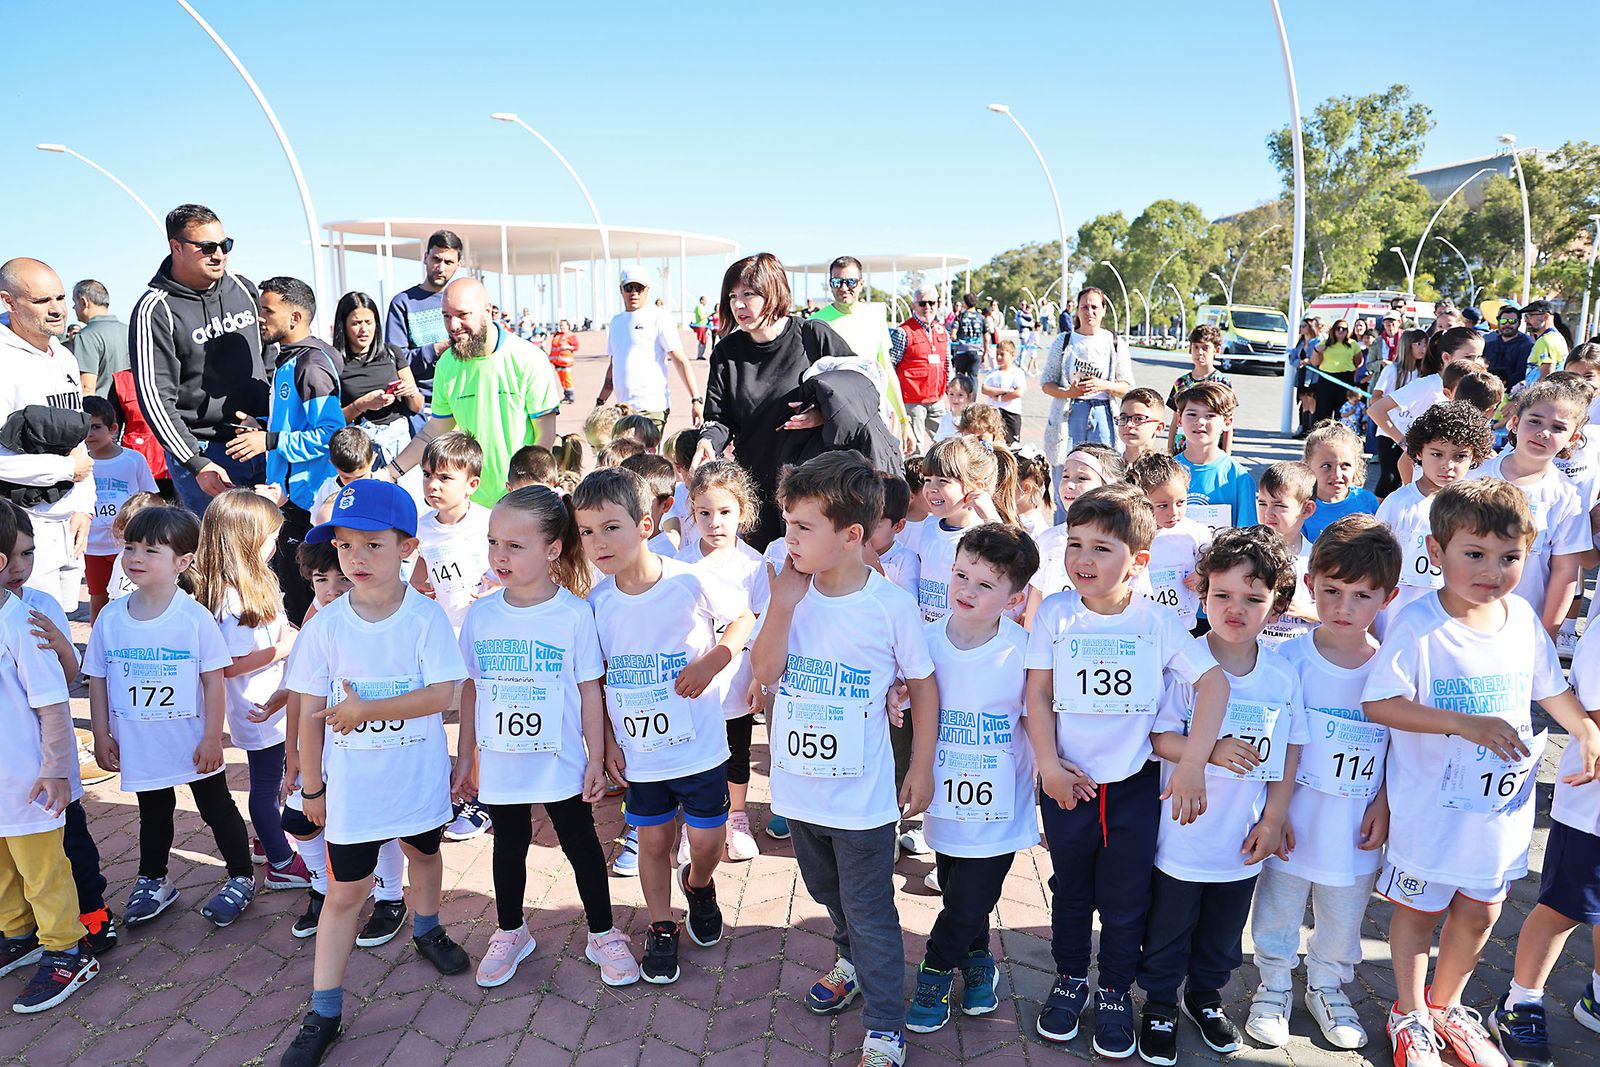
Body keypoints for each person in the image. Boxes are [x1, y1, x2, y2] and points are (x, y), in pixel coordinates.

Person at [1363, 479, 1600, 1067]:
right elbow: (1381, 703)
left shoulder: (1521, 619)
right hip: (1429, 813)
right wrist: (1461, 724)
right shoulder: (1418, 623)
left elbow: (1551, 688)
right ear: (1438, 552)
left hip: (1500, 812)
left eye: (1510, 557)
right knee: (1420, 912)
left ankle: (1447, 1006)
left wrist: (1586, 729)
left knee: (1483, 910)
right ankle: (1409, 1012)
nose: (1492, 570)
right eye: (1475, 554)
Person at [750, 451, 937, 1067]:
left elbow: (924, 683)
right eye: (787, 523)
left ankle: (885, 1026)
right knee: (827, 892)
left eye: (803, 527)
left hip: (863, 799)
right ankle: (849, 958)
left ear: (851, 535)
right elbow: (765, 673)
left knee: (871, 907)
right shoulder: (788, 591)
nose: (789, 538)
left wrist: (921, 765)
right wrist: (781, 605)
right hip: (801, 793)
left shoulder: (890, 607)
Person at [1025, 485, 1227, 1055]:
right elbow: (1036, 695)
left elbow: (1212, 684)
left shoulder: (1158, 622)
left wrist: (1192, 763)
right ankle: (1070, 981)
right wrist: (1048, 766)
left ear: (1138, 562)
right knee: (1069, 890)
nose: (1083, 560)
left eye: (1102, 548)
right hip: (1068, 783)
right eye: (1075, 544)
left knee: (1125, 898)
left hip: (1133, 786)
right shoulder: (1057, 615)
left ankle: (1114, 991)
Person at [279, 480, 472, 1067]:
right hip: (353, 791)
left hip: (414, 780)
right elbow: (310, 709)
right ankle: (325, 1008)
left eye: (372, 545)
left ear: (407, 546)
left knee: (425, 856)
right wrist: (312, 785)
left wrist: (369, 710)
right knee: (343, 894)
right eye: (343, 547)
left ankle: (429, 928)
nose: (356, 559)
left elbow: (445, 692)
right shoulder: (326, 625)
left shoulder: (425, 619)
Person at [451, 486, 640, 988]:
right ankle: (511, 930)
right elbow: (472, 688)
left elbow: (589, 692)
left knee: (580, 843)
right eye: (494, 543)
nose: (500, 555)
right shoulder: (482, 614)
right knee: (507, 845)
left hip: (560, 761)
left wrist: (596, 758)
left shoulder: (574, 614)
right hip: (502, 761)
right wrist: (464, 756)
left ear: (552, 548)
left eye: (515, 545)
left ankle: (602, 932)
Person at [1138, 526, 1306, 1065]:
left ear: (1277, 605)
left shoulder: (1280, 677)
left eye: (1253, 598)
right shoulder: (1182, 663)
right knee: (1168, 929)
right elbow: (1157, 737)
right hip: (1181, 835)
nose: (1236, 609)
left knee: (1221, 937)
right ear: (1201, 592)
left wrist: (1275, 816)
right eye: (1222, 595)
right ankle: (1159, 1002)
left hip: (1240, 839)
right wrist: (1206, 751)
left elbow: (1290, 749)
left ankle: (1204, 996)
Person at [578, 467, 749, 983]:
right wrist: (606, 741)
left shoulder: (689, 581)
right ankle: (659, 925)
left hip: (699, 749)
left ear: (646, 525)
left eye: (611, 527)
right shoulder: (597, 605)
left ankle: (698, 885)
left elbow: (742, 619)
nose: (598, 542)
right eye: (586, 531)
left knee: (706, 841)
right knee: (651, 842)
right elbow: (598, 677)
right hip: (641, 753)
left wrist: (712, 662)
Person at [1246, 516, 1400, 1051]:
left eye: (1362, 596)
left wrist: (1383, 800)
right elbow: (1272, 737)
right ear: (1309, 584)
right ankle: (1271, 986)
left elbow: (1401, 744)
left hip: (1354, 821)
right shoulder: (1287, 658)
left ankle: (1328, 985)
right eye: (1331, 591)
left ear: (1388, 597)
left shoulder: (1391, 669)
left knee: (1343, 913)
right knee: (1278, 907)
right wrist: (1271, 811)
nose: (1343, 607)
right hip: (1293, 816)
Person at [84, 507, 255, 929]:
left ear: (183, 562)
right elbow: (99, 680)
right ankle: (154, 880)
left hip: (191, 738)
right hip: (140, 741)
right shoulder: (111, 616)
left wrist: (213, 738)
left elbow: (214, 682)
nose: (135, 557)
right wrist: (102, 734)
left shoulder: (193, 617)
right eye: (130, 547)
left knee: (216, 806)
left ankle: (241, 875)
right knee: (153, 811)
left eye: (150, 550)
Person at [906, 525, 1040, 1034]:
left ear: (1015, 598)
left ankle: (935, 969)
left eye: (985, 585)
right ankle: (979, 957)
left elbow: (1037, 719)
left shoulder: (1023, 649)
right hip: (944, 795)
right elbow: (911, 696)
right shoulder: (925, 638)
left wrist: (1051, 768)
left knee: (973, 895)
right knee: (958, 887)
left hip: (1001, 801)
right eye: (961, 574)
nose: (966, 589)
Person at [0, 500, 95, 1014]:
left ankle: (67, 949)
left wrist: (57, 769)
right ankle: (18, 935)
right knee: (5, 873)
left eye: (27, 553)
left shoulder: (24, 622)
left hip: (29, 781)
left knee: (45, 871)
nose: (22, 564)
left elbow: (55, 703)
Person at [1495, 611, 1600, 1064]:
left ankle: (1597, 997)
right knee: (1563, 908)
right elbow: (1590, 708)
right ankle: (1521, 1003)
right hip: (1591, 805)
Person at [193, 491, 310, 893]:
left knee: (272, 779)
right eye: (270, 537)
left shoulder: (251, 582)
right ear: (246, 539)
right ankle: (280, 861)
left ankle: (266, 839)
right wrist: (284, 648)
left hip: (266, 701)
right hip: (258, 707)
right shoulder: (230, 598)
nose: (275, 544)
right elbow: (227, 665)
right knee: (265, 785)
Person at [694, 253, 852, 550]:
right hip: (756, 489)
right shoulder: (727, 352)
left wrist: (822, 413)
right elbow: (718, 417)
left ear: (774, 291)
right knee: (765, 579)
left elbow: (860, 388)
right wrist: (707, 442)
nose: (738, 304)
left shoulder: (812, 337)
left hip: (813, 489)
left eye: (748, 294)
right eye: (732, 296)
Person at [130, 204, 268, 515]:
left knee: (273, 550)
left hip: (261, 441)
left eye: (225, 245)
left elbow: (266, 355)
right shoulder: (155, 310)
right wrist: (195, 461)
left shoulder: (244, 288)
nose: (218, 254)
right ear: (176, 247)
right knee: (219, 556)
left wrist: (269, 425)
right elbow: (155, 399)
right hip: (206, 454)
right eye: (206, 247)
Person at [377, 278, 561, 508]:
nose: (453, 325)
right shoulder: (447, 364)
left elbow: (545, 434)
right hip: (470, 505)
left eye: (463, 315)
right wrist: (390, 472)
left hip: (521, 501)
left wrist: (529, 491)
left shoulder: (528, 358)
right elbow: (435, 429)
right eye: (446, 316)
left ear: (488, 311)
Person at [225, 277, 343, 625]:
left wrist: (269, 441)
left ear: (294, 317)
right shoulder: (289, 361)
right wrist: (261, 424)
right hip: (288, 499)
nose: (259, 318)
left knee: (307, 603)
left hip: (307, 505)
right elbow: (296, 423)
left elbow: (330, 434)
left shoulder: (311, 364)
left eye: (267, 310)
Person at [676, 461, 770, 863]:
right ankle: (694, 823)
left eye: (725, 512)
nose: (715, 522)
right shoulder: (679, 561)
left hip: (736, 679)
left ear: (743, 512)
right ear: (692, 512)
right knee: (693, 753)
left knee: (736, 751)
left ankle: (735, 817)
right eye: (705, 513)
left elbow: (763, 623)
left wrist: (760, 680)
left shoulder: (754, 565)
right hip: (691, 684)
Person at [0, 258, 96, 614]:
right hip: (20, 525)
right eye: (42, 301)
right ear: (8, 302)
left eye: (59, 298)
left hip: (67, 522)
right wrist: (65, 470)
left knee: (62, 627)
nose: (57, 309)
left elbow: (78, 442)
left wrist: (84, 505)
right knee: (31, 635)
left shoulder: (65, 358)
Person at [1463, 379, 1590, 638]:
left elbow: (1565, 572)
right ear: (1515, 421)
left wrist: (1547, 635)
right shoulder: (1472, 477)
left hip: (1520, 629)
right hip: (1460, 619)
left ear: (1572, 438)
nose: (1543, 432)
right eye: (1535, 420)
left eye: (1558, 427)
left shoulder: (1568, 497)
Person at [1040, 288, 1135, 503]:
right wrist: (1068, 392)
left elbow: (1127, 386)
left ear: (1103, 311)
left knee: (1104, 474)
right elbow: (1046, 383)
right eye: (1084, 306)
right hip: (1070, 415)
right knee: (1067, 472)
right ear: (1077, 311)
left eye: (1094, 307)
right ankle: (1065, 527)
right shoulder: (1064, 342)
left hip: (1103, 415)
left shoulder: (1115, 343)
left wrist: (1104, 384)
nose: (1089, 311)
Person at [808, 256, 911, 448]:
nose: (844, 287)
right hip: (833, 418)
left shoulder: (875, 317)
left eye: (850, 282)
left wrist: (904, 420)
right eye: (837, 282)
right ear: (830, 284)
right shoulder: (815, 323)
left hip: (872, 413)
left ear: (861, 283)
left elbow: (886, 371)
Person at [597, 267, 700, 435]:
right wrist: (600, 401)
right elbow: (613, 366)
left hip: (652, 407)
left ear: (647, 290)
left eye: (639, 288)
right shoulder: (616, 322)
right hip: (623, 409)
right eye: (629, 288)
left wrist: (696, 399)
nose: (634, 293)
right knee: (626, 459)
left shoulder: (659, 317)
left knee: (647, 460)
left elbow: (680, 360)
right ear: (621, 290)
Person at [81, 396, 156, 622]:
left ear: (113, 428)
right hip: (92, 546)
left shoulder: (133, 460)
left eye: (96, 427)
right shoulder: (77, 463)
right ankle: (98, 645)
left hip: (127, 545)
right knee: (98, 597)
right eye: (84, 427)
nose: (89, 434)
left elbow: (150, 497)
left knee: (133, 596)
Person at [410, 432, 491, 634]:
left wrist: (502, 589)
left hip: (486, 628)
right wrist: (417, 586)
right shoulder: (421, 527)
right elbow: (421, 566)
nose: (432, 485)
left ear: (472, 485)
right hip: (446, 631)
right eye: (427, 474)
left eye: (444, 477)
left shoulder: (490, 522)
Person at [331, 292, 422, 466]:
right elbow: (332, 419)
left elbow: (417, 406)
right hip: (360, 449)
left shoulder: (392, 353)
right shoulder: (334, 362)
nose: (364, 329)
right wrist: (361, 405)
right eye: (356, 323)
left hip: (399, 444)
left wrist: (410, 392)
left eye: (369, 322)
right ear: (343, 326)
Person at [1126, 452, 1213, 633]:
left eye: (1180, 502)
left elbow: (1215, 565)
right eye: (1163, 505)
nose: (1173, 513)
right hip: (1140, 627)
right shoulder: (1129, 534)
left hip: (1183, 628)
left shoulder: (1196, 533)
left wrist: (1203, 574)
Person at [384, 229, 463, 404]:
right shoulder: (403, 303)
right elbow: (395, 360)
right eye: (436, 259)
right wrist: (437, 348)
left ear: (459, 264)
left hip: (464, 400)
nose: (441, 267)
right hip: (422, 406)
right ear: (425, 257)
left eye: (448, 262)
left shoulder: (465, 301)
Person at [1174, 381, 1256, 534]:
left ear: (1227, 422)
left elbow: (1247, 536)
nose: (1200, 422)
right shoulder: (1165, 472)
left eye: (1210, 415)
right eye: (1192, 414)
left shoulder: (1239, 477)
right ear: (1179, 419)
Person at [1254, 462, 1320, 646]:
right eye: (1262, 503)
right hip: (1256, 653)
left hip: (1300, 654)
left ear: (1306, 509)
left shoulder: (1317, 559)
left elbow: (1336, 608)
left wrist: (1306, 611)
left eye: (1279, 505)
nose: (1268, 512)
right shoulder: (1247, 555)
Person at [891, 284, 953, 451]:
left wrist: (950, 390)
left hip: (937, 399)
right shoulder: (903, 332)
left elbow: (947, 363)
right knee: (915, 448)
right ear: (914, 305)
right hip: (913, 401)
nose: (928, 307)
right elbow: (890, 366)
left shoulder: (942, 331)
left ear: (938, 304)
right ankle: (914, 477)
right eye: (922, 303)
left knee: (947, 442)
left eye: (932, 303)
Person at [1301, 421, 1379, 541]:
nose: (1337, 474)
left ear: (1356, 466)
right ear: (1307, 466)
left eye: (1345, 465)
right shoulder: (1299, 506)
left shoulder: (1368, 502)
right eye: (1326, 466)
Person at [1166, 325, 1235, 455]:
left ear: (1216, 350)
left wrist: (1227, 455)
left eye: (1205, 348)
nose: (1200, 352)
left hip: (1212, 449)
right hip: (1182, 448)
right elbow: (1175, 420)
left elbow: (1228, 423)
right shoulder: (1181, 382)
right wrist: (1169, 452)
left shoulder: (1223, 383)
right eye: (1196, 347)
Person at [69, 280, 126, 398]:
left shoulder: (86, 336)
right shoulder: (129, 331)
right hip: (131, 409)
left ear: (84, 302)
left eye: (75, 302)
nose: (73, 307)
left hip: (103, 410)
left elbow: (87, 387)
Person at [1310, 319, 1365, 426]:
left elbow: (1358, 361)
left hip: (1345, 379)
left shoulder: (1352, 344)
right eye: (1338, 328)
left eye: (1344, 329)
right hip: (1327, 378)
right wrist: (1316, 351)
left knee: (1343, 409)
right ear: (1333, 330)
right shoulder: (1325, 343)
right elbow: (1314, 362)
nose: (1340, 331)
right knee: (1323, 410)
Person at [981, 340, 1027, 443]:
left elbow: (1018, 392)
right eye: (997, 354)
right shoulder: (993, 373)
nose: (999, 357)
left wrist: (999, 397)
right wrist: (1004, 391)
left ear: (1012, 355)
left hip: (1011, 414)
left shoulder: (1017, 373)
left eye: (1002, 354)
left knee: (1011, 443)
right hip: (993, 411)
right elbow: (985, 389)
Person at [1289, 317, 1323, 438]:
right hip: (1302, 374)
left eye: (1304, 326)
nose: (1302, 329)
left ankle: (1312, 430)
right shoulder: (1301, 342)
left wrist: (1309, 361)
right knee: (1304, 401)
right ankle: (1303, 427)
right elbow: (1292, 357)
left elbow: (1319, 358)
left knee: (1312, 400)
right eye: (1301, 326)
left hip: (1314, 375)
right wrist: (1299, 362)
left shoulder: (1317, 341)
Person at [1482, 304, 1531, 389]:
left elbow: (1521, 374)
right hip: (1487, 390)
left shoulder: (1526, 346)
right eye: (1503, 321)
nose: (1507, 324)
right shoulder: (1489, 345)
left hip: (1512, 393)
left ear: (1519, 322)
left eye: (1512, 321)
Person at [1117, 388, 1168, 468]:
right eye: (1123, 418)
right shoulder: (1107, 467)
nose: (1128, 424)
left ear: (1158, 428)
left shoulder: (1166, 472)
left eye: (1139, 419)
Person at [1525, 299, 1569, 381]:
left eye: (1530, 315)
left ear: (1546, 317)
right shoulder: (1554, 337)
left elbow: (1546, 377)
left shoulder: (1546, 341)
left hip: (1542, 392)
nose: (1526, 320)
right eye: (1526, 316)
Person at [950, 292, 988, 378]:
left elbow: (953, 335)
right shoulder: (981, 318)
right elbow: (986, 338)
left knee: (960, 378)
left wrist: (956, 339)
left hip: (962, 351)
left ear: (965, 303)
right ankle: (973, 391)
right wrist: (985, 353)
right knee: (973, 377)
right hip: (977, 351)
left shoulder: (960, 316)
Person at [548, 318, 579, 404]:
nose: (561, 327)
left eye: (563, 325)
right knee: (562, 380)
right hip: (557, 361)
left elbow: (576, 347)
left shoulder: (570, 336)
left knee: (567, 379)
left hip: (566, 362)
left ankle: (570, 396)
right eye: (560, 325)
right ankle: (566, 395)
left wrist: (568, 347)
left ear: (568, 326)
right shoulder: (557, 335)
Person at [690, 295, 712, 360]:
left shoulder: (701, 307)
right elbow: (701, 317)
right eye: (705, 300)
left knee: (703, 341)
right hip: (701, 325)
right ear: (702, 300)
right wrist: (708, 315)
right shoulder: (699, 307)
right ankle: (700, 355)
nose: (707, 302)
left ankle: (701, 354)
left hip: (703, 326)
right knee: (702, 341)